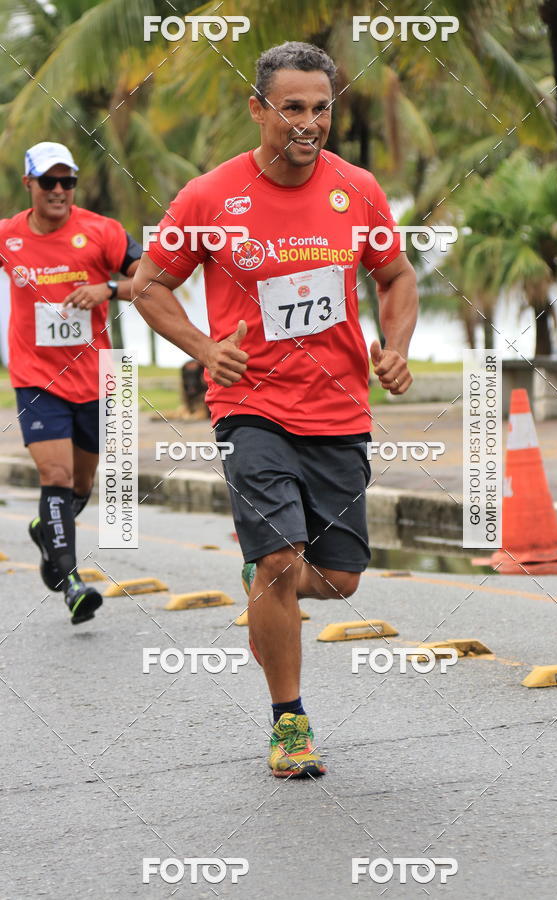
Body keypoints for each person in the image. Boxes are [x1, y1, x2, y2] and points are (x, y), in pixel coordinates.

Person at [132, 42, 418, 777]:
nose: (308, 122)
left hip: (339, 407)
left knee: (339, 579)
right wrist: (203, 347)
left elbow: (394, 274)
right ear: (259, 108)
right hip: (249, 405)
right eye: (292, 107)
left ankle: (267, 582)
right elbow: (149, 284)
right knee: (280, 562)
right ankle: (289, 723)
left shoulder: (356, 189)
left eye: (320, 107)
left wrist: (396, 345)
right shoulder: (209, 196)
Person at [0, 141, 142, 624]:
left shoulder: (101, 231)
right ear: (29, 185)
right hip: (37, 378)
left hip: (98, 379)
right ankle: (71, 583)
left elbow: (151, 279)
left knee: (81, 484)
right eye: (49, 182)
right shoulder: (8, 237)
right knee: (55, 477)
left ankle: (49, 530)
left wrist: (107, 287)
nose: (59, 191)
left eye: (68, 181)